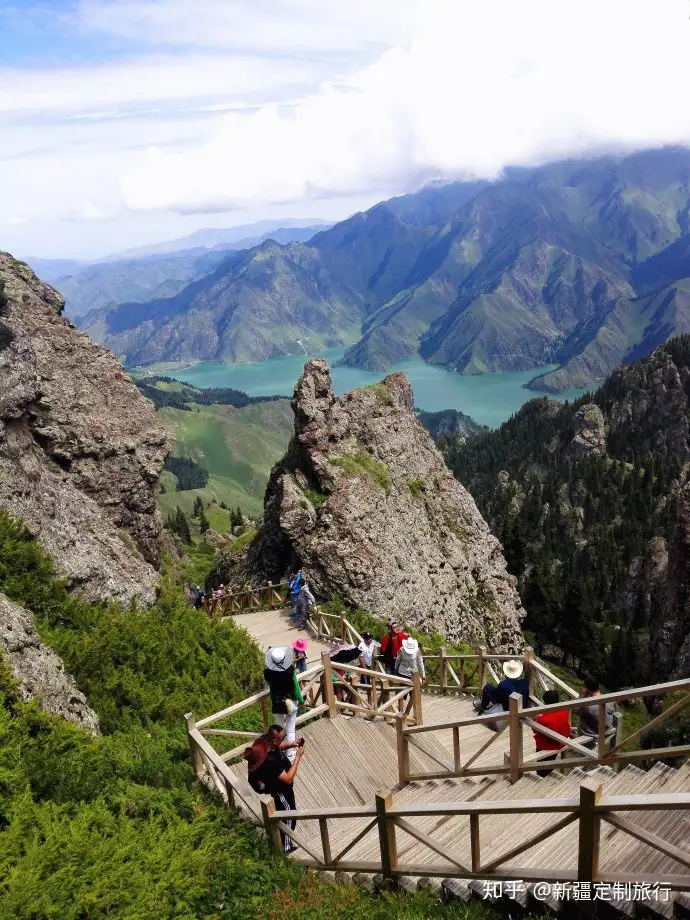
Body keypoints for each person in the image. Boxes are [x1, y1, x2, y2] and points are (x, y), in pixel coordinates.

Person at [244, 724, 305, 853]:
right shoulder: (270, 761)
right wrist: (298, 757)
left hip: (284, 789)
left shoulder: (264, 743)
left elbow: (279, 746)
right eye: (282, 738)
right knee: (290, 815)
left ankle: (281, 842)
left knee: (284, 814)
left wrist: (291, 744)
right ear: (274, 739)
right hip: (281, 791)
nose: (284, 740)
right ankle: (286, 848)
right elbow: (288, 778)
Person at [264, 646, 304, 760]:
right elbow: (296, 689)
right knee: (290, 729)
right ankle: (290, 755)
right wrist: (301, 700)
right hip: (291, 702)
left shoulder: (268, 673)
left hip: (277, 702)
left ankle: (279, 753)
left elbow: (272, 689)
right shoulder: (289, 671)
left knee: (279, 729)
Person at [531, 689, 571, 776]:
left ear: (546, 702)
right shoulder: (564, 711)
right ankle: (547, 772)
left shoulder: (544, 719)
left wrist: (536, 719)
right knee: (550, 762)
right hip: (562, 741)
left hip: (548, 746)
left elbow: (535, 729)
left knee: (541, 768)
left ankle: (541, 774)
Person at [578, 676, 614, 744]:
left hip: (593, 736)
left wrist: (582, 696)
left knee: (582, 718)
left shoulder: (588, 706)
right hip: (606, 733)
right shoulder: (610, 701)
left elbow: (577, 710)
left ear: (587, 689)